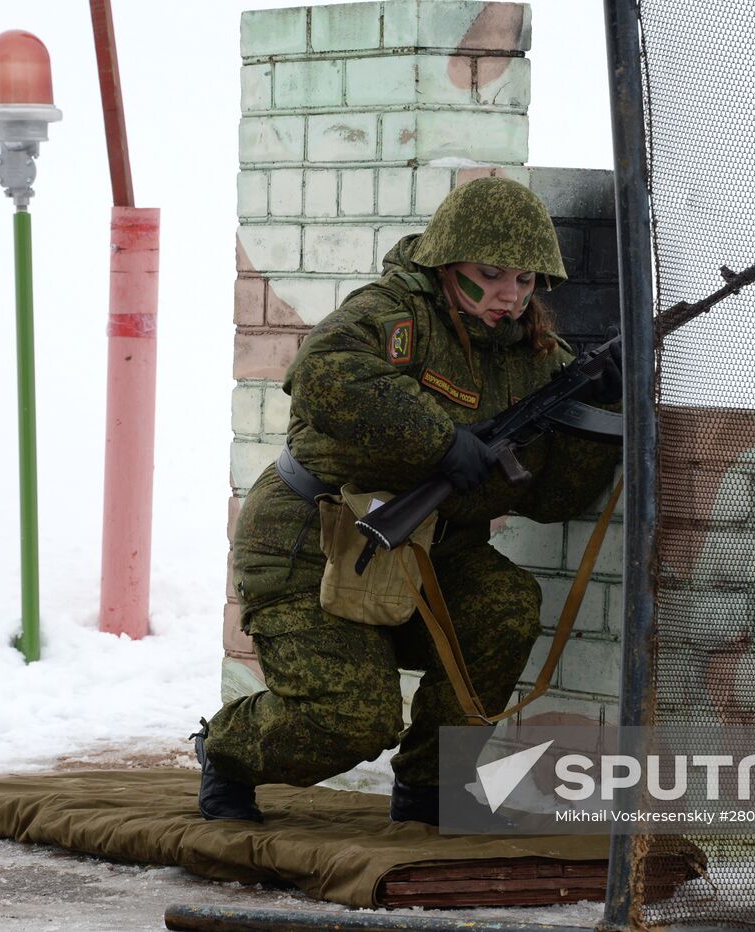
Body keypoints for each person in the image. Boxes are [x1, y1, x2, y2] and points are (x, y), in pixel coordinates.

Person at [193, 176, 621, 824]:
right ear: (448, 264)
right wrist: (440, 441)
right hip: (315, 541)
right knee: (351, 722)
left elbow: (554, 498)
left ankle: (432, 788)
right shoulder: (398, 313)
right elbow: (321, 374)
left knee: (504, 606)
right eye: (491, 274)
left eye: (527, 280)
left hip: (430, 554)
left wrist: (601, 402)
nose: (510, 294)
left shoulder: (536, 358)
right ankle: (225, 751)